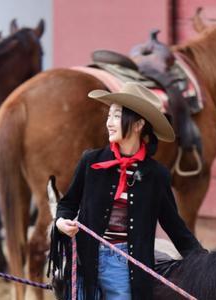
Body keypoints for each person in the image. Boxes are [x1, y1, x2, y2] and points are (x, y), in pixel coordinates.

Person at [48, 82, 204, 300]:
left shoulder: (155, 175)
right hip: (84, 260)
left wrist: (207, 265)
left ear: (138, 123)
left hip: (125, 266)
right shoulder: (90, 161)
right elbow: (68, 203)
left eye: (116, 116)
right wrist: (61, 222)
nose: (108, 123)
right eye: (109, 115)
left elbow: (175, 228)